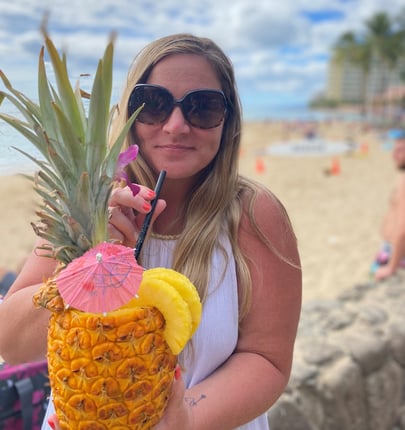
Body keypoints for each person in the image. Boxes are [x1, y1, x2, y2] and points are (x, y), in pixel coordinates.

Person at [0, 33, 302, 429]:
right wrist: (84, 266)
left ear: (227, 121)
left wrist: (180, 420)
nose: (176, 126)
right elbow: (13, 344)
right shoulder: (86, 207)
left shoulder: (254, 215)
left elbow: (268, 358)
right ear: (130, 111)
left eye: (203, 107)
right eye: (155, 104)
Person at [372, 129, 405, 281]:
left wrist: (391, 266)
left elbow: (402, 228)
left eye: (400, 150)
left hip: (395, 254)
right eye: (394, 149)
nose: (394, 154)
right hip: (391, 249)